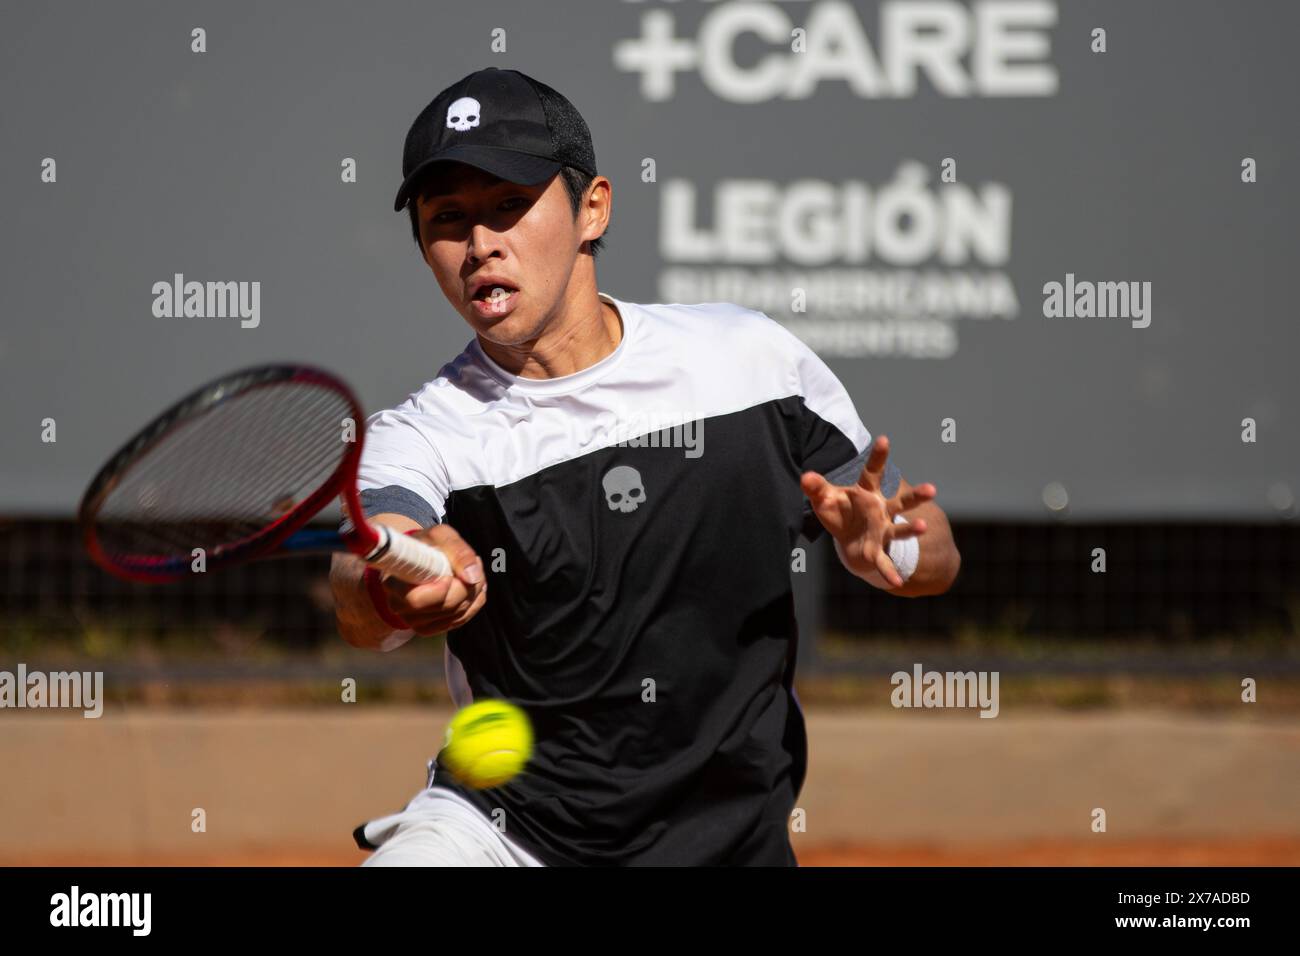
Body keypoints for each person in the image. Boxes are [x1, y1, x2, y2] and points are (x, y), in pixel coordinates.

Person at [331, 67, 961, 867]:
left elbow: (933, 550)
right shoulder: (422, 434)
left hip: (731, 845)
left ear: (593, 207)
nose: (480, 243)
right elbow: (366, 565)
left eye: (508, 206)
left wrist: (891, 547)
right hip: (503, 836)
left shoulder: (750, 360)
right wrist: (397, 585)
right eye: (447, 219)